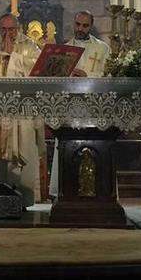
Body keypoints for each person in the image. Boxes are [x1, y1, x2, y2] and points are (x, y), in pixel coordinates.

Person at [0, 13, 43, 207]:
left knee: (21, 147)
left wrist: (13, 56)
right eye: (3, 29)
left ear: (18, 28)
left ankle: (22, 198)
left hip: (20, 110)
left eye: (11, 29)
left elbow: (38, 68)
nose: (7, 34)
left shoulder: (29, 45)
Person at [49, 11, 112, 197]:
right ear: (73, 23)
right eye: (77, 24)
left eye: (85, 26)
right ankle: (64, 191)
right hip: (70, 107)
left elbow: (109, 77)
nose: (80, 29)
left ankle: (99, 192)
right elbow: (56, 80)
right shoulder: (64, 49)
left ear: (91, 26)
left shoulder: (103, 49)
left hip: (94, 108)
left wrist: (88, 76)